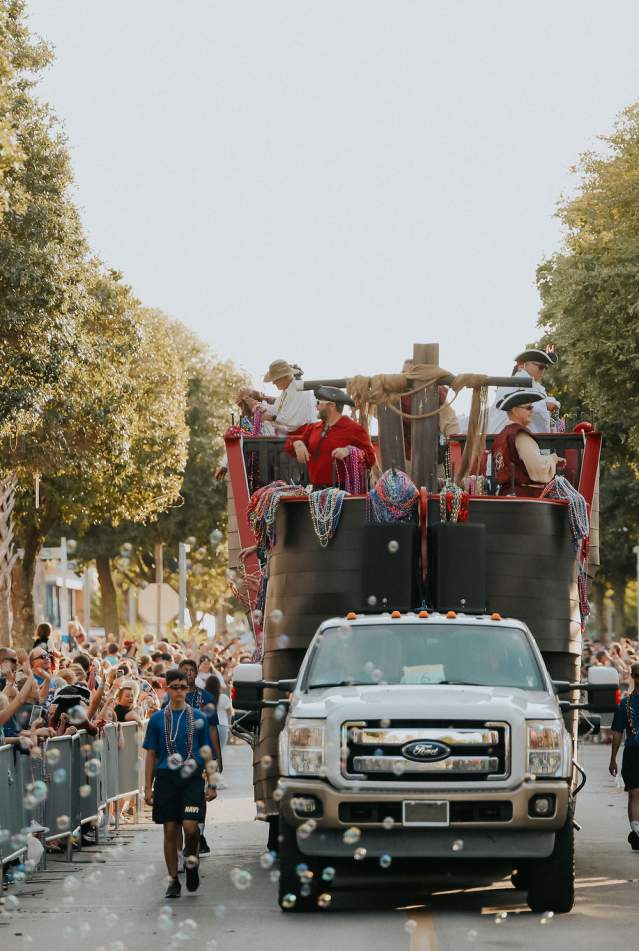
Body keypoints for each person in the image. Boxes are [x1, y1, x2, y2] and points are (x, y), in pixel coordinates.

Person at [143, 667, 218, 899]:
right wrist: (148, 786)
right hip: (166, 778)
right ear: (167, 688)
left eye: (183, 687)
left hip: (192, 778)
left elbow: (207, 752)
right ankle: (173, 880)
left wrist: (212, 783)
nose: (178, 691)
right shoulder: (157, 719)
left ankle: (192, 860)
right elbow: (151, 755)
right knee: (170, 829)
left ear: (188, 688)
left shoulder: (198, 717)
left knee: (190, 827)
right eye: (174, 687)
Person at [161, 659, 223, 856]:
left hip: (199, 757)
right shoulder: (169, 699)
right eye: (184, 670)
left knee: (198, 797)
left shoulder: (205, 697)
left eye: (191, 670)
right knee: (175, 811)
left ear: (196, 674)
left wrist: (216, 757)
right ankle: (180, 853)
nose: (188, 673)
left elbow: (212, 729)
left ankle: (197, 835)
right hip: (175, 759)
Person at [285, 386, 376, 489]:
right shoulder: (313, 428)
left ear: (331, 406)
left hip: (343, 491)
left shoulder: (354, 429)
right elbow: (288, 446)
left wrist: (349, 451)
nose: (316, 406)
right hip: (316, 490)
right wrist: (297, 444)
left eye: (319, 403)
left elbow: (371, 458)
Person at [491, 390, 565, 496]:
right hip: (525, 499)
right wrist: (552, 459)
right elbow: (538, 468)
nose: (532, 412)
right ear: (515, 411)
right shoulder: (520, 434)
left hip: (506, 496)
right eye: (528, 408)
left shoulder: (501, 437)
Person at [490, 346, 561, 433]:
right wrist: (545, 405)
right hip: (511, 439)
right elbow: (521, 402)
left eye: (545, 368)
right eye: (541, 367)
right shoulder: (517, 382)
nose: (542, 371)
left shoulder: (533, 386)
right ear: (522, 365)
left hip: (516, 437)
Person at [609, 662, 639, 851]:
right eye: (638, 675)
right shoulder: (625, 703)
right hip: (633, 752)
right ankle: (636, 832)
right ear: (633, 677)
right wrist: (612, 758)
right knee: (635, 793)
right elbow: (618, 732)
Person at [259, 360, 317, 436]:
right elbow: (276, 410)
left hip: (303, 437)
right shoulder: (286, 391)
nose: (273, 383)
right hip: (293, 435)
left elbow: (292, 421)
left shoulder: (298, 390)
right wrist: (262, 407)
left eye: (275, 379)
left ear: (285, 376)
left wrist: (270, 417)